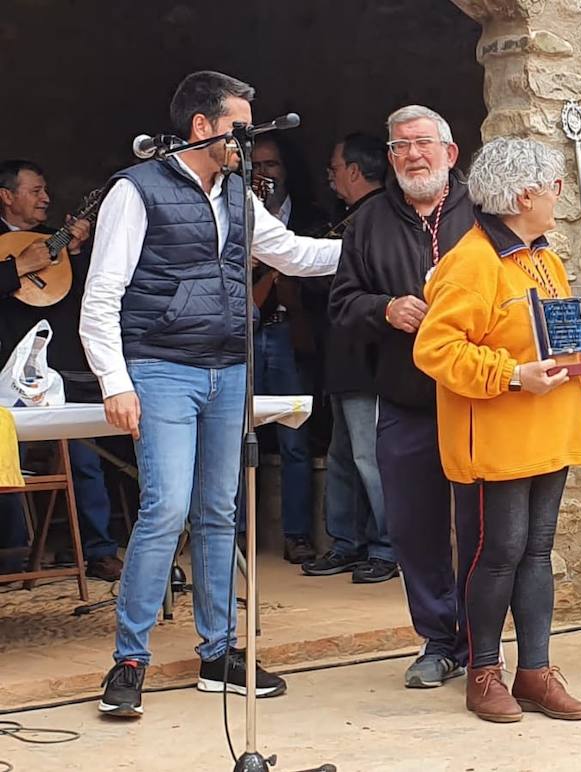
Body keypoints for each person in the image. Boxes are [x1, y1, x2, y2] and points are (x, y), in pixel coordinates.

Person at [79, 70, 340, 717]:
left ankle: (219, 653)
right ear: (202, 126)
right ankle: (130, 659)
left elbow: (293, 254)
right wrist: (116, 381)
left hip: (229, 370)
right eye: (240, 126)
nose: (247, 139)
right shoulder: (134, 193)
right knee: (166, 507)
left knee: (221, 511)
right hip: (161, 368)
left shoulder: (236, 195)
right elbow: (101, 299)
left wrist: (369, 246)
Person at [413, 137, 581, 723]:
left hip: (548, 434)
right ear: (524, 193)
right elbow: (436, 349)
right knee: (499, 553)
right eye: (554, 185)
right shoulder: (471, 261)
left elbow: (557, 341)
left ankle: (535, 671)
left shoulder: (545, 258)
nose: (560, 195)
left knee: (536, 553)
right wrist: (509, 375)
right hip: (496, 441)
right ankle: (483, 672)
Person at [329, 105, 476, 687]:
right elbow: (342, 303)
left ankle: (483, 642)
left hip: (478, 401)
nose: (413, 155)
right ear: (389, 159)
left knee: (484, 527)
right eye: (400, 147)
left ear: (450, 152)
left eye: (423, 144)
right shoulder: (366, 223)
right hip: (406, 401)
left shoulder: (484, 212)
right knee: (415, 529)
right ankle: (439, 642)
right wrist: (384, 308)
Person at [0, 159, 123, 582]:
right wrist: (16, 268)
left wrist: (76, 252)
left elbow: (85, 294)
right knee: (4, 459)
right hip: (5, 373)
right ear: (7, 196)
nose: (46, 198)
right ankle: (11, 554)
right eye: (35, 190)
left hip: (62, 368)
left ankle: (99, 550)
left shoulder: (53, 241)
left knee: (84, 456)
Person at [303, 132, 396, 583]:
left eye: (336, 168)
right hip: (341, 357)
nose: (331, 177)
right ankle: (346, 541)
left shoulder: (381, 219)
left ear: (356, 172)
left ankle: (386, 546)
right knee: (343, 455)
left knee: (369, 457)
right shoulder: (350, 218)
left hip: (369, 356)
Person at [243, 134, 330, 564]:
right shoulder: (235, 215)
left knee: (294, 438)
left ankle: (296, 535)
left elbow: (324, 282)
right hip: (242, 335)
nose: (264, 175)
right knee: (238, 435)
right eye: (255, 166)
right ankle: (237, 536)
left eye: (271, 165)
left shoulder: (313, 219)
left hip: (288, 333)